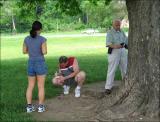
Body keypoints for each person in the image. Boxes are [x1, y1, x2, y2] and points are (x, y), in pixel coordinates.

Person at [23, 21, 47, 113]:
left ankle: (29, 107)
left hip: (31, 63)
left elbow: (24, 51)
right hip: (40, 62)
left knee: (30, 86)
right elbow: (44, 52)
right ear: (40, 29)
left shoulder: (26, 39)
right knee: (41, 86)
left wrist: (31, 51)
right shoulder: (42, 39)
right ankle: (40, 107)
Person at [105, 19, 128, 94]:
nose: (118, 26)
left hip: (123, 50)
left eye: (119, 25)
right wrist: (115, 46)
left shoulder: (122, 32)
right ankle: (108, 87)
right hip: (114, 51)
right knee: (112, 69)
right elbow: (108, 44)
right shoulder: (110, 32)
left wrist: (125, 45)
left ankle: (126, 85)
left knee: (125, 68)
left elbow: (126, 40)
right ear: (113, 25)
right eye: (116, 25)